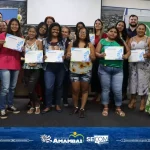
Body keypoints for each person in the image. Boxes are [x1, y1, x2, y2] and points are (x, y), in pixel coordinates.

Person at [96, 26, 130, 117]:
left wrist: (126, 56)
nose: (113, 33)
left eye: (115, 32)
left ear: (117, 33)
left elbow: (128, 52)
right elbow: (96, 53)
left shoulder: (120, 41)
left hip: (118, 70)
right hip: (104, 69)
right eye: (111, 31)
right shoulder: (102, 41)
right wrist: (101, 55)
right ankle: (105, 107)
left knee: (118, 90)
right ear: (107, 32)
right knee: (105, 89)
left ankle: (118, 108)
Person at [66, 27, 95, 118]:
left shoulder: (90, 45)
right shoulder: (72, 44)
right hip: (74, 70)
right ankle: (75, 106)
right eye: (81, 32)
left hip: (86, 70)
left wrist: (91, 56)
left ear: (87, 34)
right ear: (78, 33)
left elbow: (94, 58)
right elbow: (67, 57)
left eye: (84, 32)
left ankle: (82, 108)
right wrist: (68, 55)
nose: (82, 34)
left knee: (85, 90)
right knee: (75, 90)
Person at [0, 18, 23, 119]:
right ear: (9, 26)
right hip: (4, 63)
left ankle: (9, 105)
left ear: (18, 26)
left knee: (12, 88)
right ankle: (2, 108)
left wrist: (23, 49)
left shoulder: (20, 37)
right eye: (12, 24)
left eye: (16, 24)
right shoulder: (3, 35)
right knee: (5, 88)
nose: (14, 26)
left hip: (16, 64)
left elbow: (21, 52)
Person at [42, 22, 66, 114]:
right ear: (50, 30)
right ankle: (48, 105)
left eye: (57, 29)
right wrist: (43, 56)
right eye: (54, 29)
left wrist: (64, 56)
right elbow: (41, 52)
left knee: (59, 86)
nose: (55, 31)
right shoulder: (44, 40)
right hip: (48, 67)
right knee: (48, 87)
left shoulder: (63, 40)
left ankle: (57, 104)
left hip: (60, 66)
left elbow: (67, 52)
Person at [128, 23, 150, 111]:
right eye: (139, 28)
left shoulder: (148, 39)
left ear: (145, 30)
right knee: (133, 82)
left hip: (144, 65)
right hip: (133, 65)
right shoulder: (131, 39)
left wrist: (147, 55)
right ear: (136, 29)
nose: (140, 30)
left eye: (142, 29)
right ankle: (133, 99)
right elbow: (128, 50)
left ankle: (142, 101)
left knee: (143, 82)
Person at [23, 26, 43, 114]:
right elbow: (23, 55)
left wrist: (35, 63)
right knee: (29, 88)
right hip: (26, 67)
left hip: (36, 67)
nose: (31, 33)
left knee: (31, 87)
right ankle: (32, 105)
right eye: (30, 31)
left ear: (36, 33)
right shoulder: (24, 42)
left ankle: (37, 104)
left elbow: (40, 55)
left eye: (33, 32)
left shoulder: (39, 42)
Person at [91, 19, 107, 102]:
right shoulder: (91, 35)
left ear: (101, 25)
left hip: (99, 58)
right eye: (96, 23)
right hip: (91, 58)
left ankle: (100, 94)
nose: (97, 25)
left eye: (99, 24)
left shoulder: (104, 35)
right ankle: (96, 93)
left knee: (99, 76)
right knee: (94, 76)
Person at [116, 21, 129, 100]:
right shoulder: (112, 34)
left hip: (123, 58)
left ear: (124, 28)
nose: (120, 26)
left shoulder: (126, 36)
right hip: (113, 59)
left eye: (122, 26)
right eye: (119, 25)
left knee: (123, 77)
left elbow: (127, 48)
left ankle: (123, 93)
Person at [61, 26, 72, 107]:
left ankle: (65, 99)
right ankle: (55, 100)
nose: (64, 33)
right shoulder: (56, 41)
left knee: (65, 83)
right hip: (56, 65)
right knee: (57, 84)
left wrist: (68, 56)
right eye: (62, 31)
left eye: (66, 32)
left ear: (68, 34)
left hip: (66, 65)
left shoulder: (71, 43)